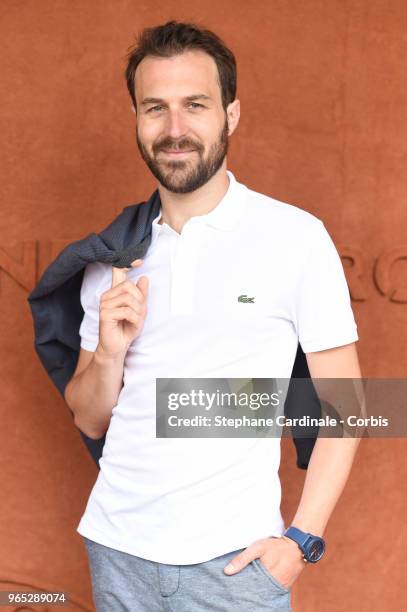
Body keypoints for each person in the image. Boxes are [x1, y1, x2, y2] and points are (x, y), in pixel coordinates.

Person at [65, 20, 362, 611]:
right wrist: (108, 353)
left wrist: (300, 542)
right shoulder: (113, 257)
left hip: (236, 567)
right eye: (156, 108)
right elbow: (89, 418)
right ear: (137, 120)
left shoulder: (295, 238)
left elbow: (349, 404)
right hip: (116, 548)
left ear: (230, 115)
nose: (175, 129)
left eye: (195, 105)